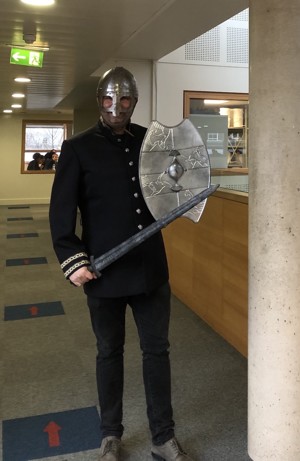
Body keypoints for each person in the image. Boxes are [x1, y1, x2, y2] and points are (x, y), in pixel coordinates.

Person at [49, 67, 194, 461]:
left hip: (149, 270)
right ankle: (110, 435)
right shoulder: (78, 148)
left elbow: (171, 191)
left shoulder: (152, 142)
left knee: (157, 351)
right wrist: (73, 259)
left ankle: (163, 436)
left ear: (134, 101)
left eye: (125, 100)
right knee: (108, 353)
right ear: (100, 101)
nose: (117, 107)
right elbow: (61, 214)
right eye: (110, 100)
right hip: (103, 269)